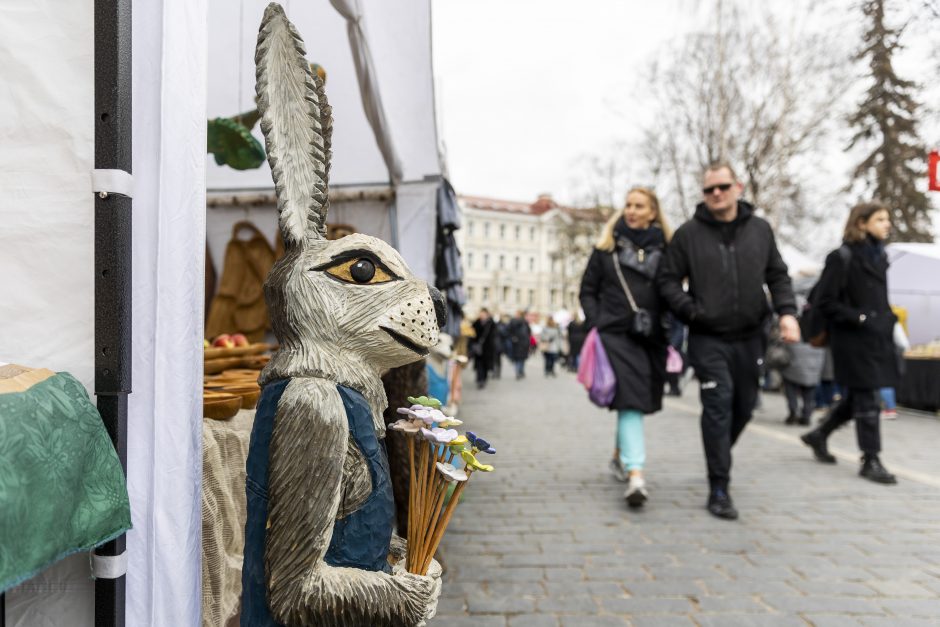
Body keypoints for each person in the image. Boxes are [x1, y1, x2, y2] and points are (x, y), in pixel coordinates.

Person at [658, 163, 798, 520]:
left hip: (751, 336)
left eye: (722, 186)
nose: (716, 194)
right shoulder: (688, 234)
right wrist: (692, 310)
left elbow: (778, 275)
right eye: (709, 190)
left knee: (745, 406)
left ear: (737, 187)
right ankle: (719, 485)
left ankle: (718, 452)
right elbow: (668, 281)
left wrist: (787, 313)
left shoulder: (760, 230)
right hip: (708, 337)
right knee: (718, 405)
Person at [580, 186, 671, 508]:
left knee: (634, 400)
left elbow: (672, 291)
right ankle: (636, 475)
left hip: (653, 338)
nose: (631, 210)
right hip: (615, 335)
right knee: (631, 401)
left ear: (652, 212)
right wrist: (599, 321)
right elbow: (587, 290)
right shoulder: (606, 249)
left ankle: (619, 457)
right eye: (628, 205)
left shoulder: (669, 250)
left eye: (639, 205)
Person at [800, 203, 900, 484]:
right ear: (861, 223)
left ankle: (818, 434)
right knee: (868, 397)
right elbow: (826, 302)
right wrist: (861, 318)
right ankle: (871, 458)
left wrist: (887, 318)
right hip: (852, 340)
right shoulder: (841, 257)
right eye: (880, 219)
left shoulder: (880, 257)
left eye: (887, 219)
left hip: (876, 337)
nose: (887, 224)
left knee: (858, 397)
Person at [781, 341, 825, 425]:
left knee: (790, 385)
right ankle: (806, 414)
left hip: (795, 354)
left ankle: (793, 410)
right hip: (815, 357)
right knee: (809, 389)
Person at [470, 308, 496, 389]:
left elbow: (494, 336)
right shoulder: (476, 323)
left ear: (487, 314)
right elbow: (472, 334)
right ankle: (479, 380)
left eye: (483, 314)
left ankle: (484, 379)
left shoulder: (491, 324)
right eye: (481, 314)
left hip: (488, 348)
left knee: (485, 365)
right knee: (479, 365)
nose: (482, 315)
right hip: (478, 348)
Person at [507, 310, 531, 379]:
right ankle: (519, 371)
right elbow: (528, 333)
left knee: (519, 358)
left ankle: (519, 371)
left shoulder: (515, 322)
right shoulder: (523, 323)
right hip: (521, 343)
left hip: (519, 343)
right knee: (520, 358)